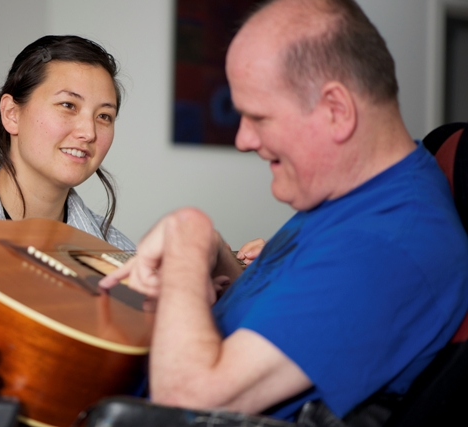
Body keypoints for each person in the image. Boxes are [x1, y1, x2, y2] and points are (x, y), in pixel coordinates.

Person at [101, 0, 468, 422]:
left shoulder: (387, 247)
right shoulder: (356, 194)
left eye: (258, 117)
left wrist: (188, 233)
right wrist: (218, 257)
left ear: (336, 110)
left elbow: (185, 402)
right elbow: (296, 317)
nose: (243, 139)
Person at [0, 35, 134, 251]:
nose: (89, 132)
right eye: (68, 105)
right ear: (11, 114)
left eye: (104, 116)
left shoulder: (120, 256)